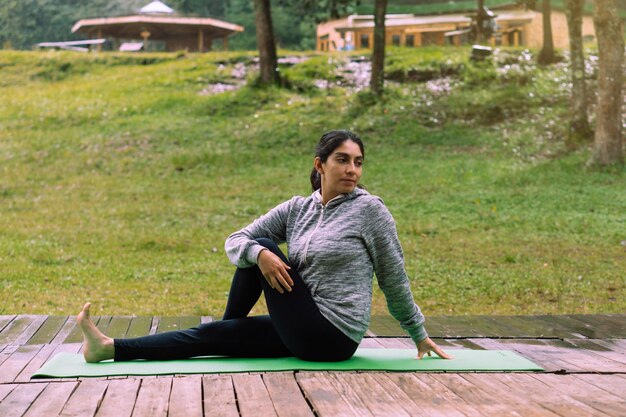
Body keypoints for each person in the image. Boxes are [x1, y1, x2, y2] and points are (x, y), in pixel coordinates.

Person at [78, 129, 451, 363]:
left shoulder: (370, 211)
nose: (352, 169)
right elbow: (234, 241)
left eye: (358, 162)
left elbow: (392, 276)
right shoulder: (296, 208)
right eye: (342, 160)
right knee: (252, 253)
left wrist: (418, 333)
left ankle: (228, 330)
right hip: (298, 323)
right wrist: (261, 255)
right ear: (320, 165)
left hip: (333, 336)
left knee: (260, 244)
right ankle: (109, 348)